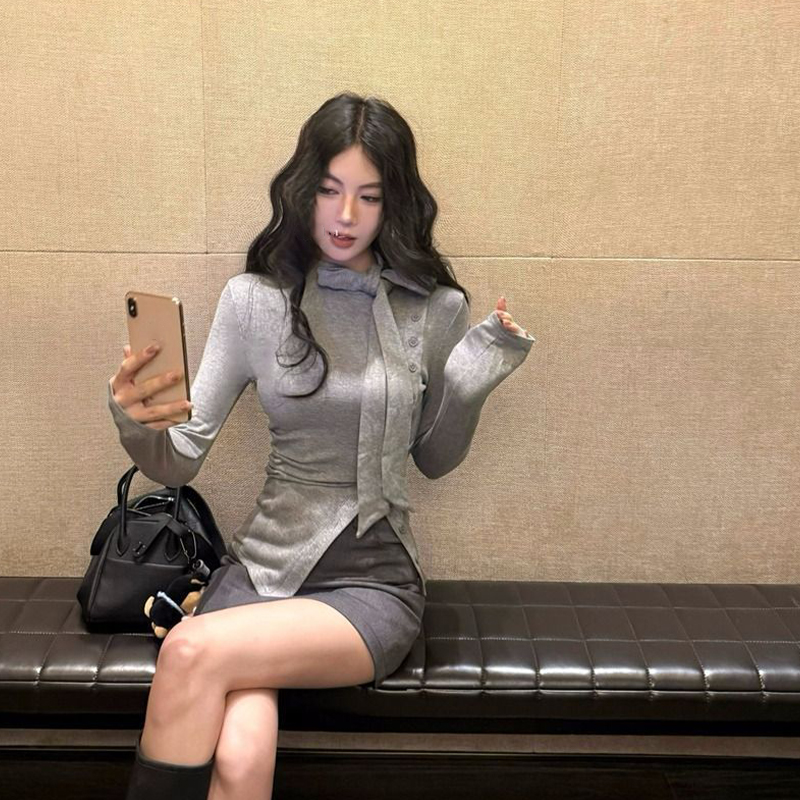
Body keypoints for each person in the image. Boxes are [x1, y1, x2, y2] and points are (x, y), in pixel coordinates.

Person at [108, 92, 535, 800]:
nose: (346, 215)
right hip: (260, 572)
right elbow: (179, 460)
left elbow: (433, 462)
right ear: (305, 189)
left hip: (371, 585)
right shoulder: (253, 300)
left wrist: (467, 386)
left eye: (369, 196)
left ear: (393, 202)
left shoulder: (434, 307)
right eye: (331, 190)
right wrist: (135, 420)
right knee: (240, 761)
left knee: (188, 650)